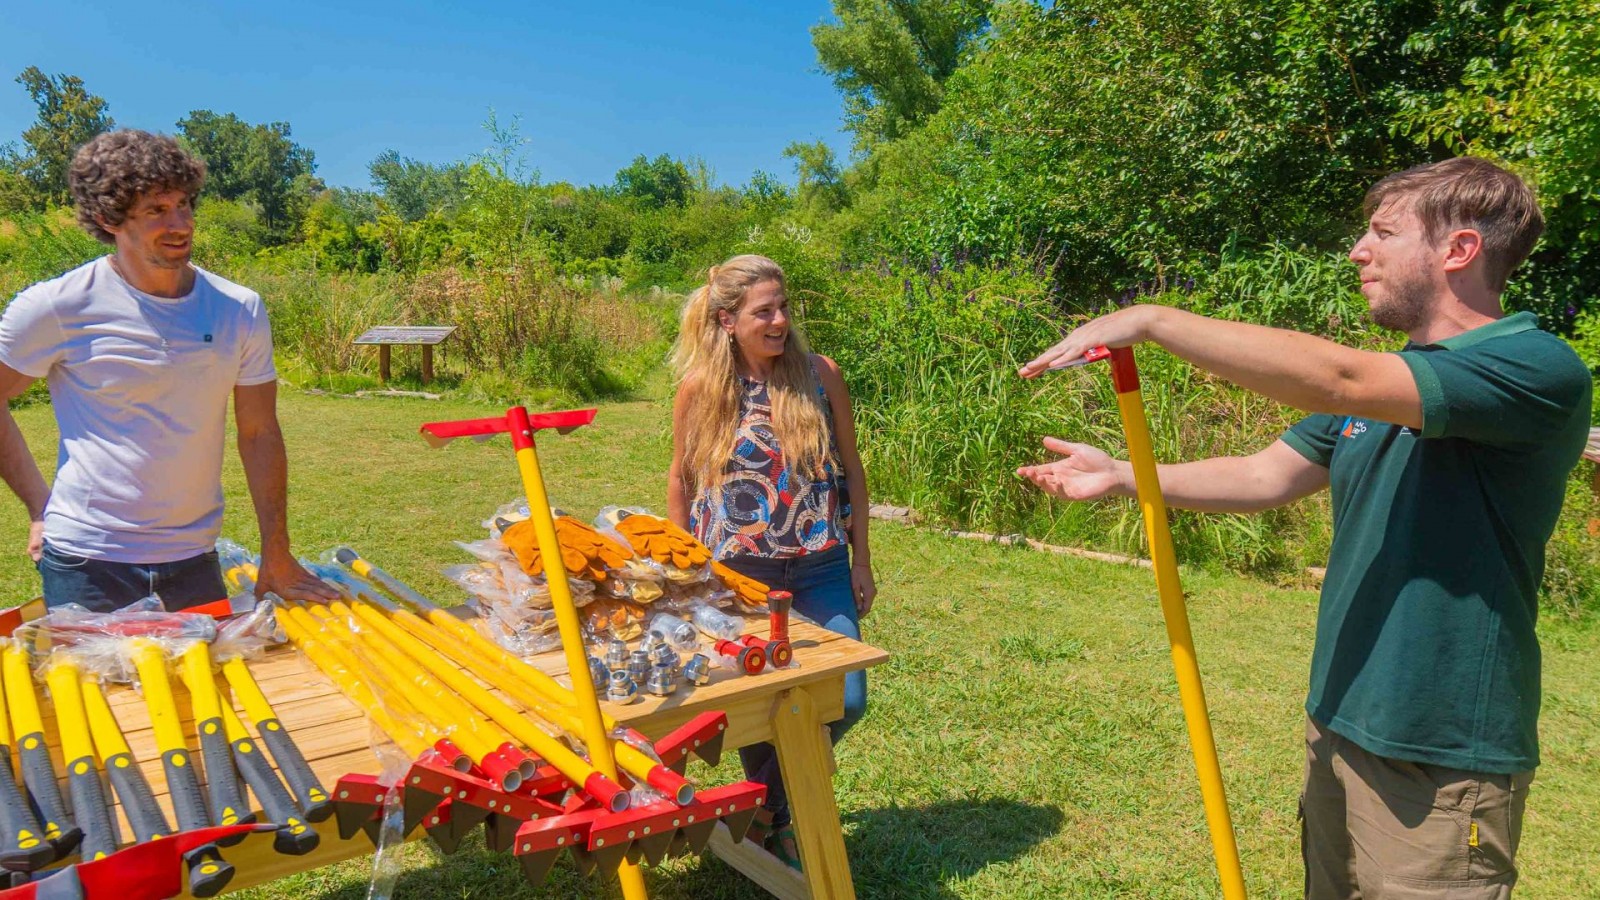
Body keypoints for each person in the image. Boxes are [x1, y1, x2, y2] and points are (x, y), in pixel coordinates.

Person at [1017, 157, 1589, 899]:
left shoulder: (1532, 367)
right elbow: (1266, 474)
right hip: (1343, 715)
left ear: (1459, 251)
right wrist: (1126, 475)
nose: (1359, 250)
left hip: (1443, 749)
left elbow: (1338, 377)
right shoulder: (1397, 383)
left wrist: (1153, 320)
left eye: (1383, 232)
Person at [0, 129, 335, 611]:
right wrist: (39, 506)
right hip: (87, 561)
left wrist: (276, 550)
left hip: (194, 559)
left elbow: (260, 432)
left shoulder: (237, 309)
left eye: (183, 205)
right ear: (106, 218)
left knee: (210, 686)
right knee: (102, 689)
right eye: (156, 211)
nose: (180, 223)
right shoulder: (57, 306)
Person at [667, 253, 875, 870]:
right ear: (728, 319)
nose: (780, 320)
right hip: (738, 575)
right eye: (765, 311)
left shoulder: (819, 375)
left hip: (819, 565)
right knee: (754, 707)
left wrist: (862, 559)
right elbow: (680, 479)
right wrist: (683, 571)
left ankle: (755, 808)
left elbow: (853, 472)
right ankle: (777, 817)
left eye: (784, 307)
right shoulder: (703, 387)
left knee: (850, 697)